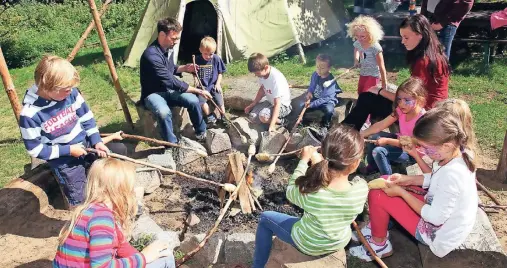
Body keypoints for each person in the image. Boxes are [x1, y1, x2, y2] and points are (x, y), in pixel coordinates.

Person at [349, 109, 478, 260]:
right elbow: (436, 179)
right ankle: (376, 228)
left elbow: (434, 218)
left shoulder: (453, 174)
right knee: (386, 180)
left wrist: (401, 193)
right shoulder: (457, 152)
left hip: (438, 234)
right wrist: (406, 179)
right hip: (443, 216)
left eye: (428, 148)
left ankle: (379, 245)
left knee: (377, 194)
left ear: (447, 145)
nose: (425, 152)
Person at [252, 125, 368, 267]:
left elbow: (291, 191)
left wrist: (303, 161)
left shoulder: (313, 193)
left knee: (265, 218)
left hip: (308, 243)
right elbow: (340, 183)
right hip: (338, 241)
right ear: (355, 163)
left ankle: (257, 266)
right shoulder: (361, 189)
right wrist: (319, 163)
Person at [18, 55, 126, 206]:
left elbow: (86, 118)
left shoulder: (71, 94)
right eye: (66, 89)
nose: (70, 92)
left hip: (86, 144)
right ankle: (82, 220)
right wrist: (68, 150)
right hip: (65, 161)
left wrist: (96, 141)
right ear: (47, 87)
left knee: (115, 157)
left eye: (71, 88)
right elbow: (36, 150)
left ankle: (112, 203)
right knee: (79, 197)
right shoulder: (30, 115)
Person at [54, 158, 175, 268]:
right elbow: (102, 266)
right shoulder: (101, 217)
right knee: (165, 259)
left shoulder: (89, 210)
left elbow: (122, 246)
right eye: (130, 189)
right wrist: (144, 257)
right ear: (121, 191)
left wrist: (141, 259)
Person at [342, 14, 450, 131]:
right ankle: (350, 130)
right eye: (402, 37)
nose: (403, 42)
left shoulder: (423, 61)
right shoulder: (434, 53)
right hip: (431, 108)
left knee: (367, 98)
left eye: (406, 37)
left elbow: (410, 99)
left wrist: (380, 91)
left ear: (420, 35)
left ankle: (344, 132)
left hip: (424, 115)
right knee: (370, 97)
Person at [140, 17, 212, 143]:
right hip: (153, 93)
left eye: (177, 38)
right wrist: (198, 91)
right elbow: (170, 80)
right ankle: (172, 145)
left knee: (193, 101)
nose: (177, 41)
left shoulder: (168, 49)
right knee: (163, 112)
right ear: (162, 35)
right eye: (174, 38)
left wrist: (185, 68)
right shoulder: (151, 55)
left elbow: (170, 69)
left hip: (168, 90)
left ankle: (201, 133)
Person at [360, 77, 427, 175]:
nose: (401, 103)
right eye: (399, 99)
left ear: (419, 100)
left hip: (413, 152)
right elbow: (381, 125)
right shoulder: (401, 110)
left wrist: (387, 141)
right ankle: (373, 166)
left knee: (379, 151)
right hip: (400, 141)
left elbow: (412, 143)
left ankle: (388, 180)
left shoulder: (423, 119)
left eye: (407, 100)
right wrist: (360, 134)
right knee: (373, 136)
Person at [244, 53, 292, 132]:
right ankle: (267, 122)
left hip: (283, 106)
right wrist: (253, 104)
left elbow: (277, 104)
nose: (256, 75)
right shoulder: (262, 75)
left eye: (257, 73)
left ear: (266, 68)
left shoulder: (276, 78)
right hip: (270, 102)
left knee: (263, 116)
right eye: (255, 73)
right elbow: (262, 89)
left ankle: (283, 122)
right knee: (252, 116)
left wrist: (272, 125)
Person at [346, 15, 388, 95]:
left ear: (370, 34)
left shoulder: (375, 47)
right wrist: (356, 60)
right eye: (357, 36)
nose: (359, 39)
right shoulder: (358, 42)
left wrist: (384, 84)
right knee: (360, 92)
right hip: (363, 72)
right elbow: (356, 49)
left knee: (367, 94)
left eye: (362, 36)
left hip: (373, 75)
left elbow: (382, 67)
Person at [301, 54, 342, 133]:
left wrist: (312, 104)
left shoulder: (330, 81)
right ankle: (303, 123)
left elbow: (326, 98)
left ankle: (324, 126)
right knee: (302, 105)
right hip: (316, 97)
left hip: (327, 101)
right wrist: (309, 92)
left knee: (329, 110)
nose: (319, 70)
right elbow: (312, 86)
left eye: (322, 68)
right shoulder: (315, 75)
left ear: (329, 68)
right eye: (317, 67)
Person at [194, 36, 227, 126]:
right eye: (206, 54)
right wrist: (196, 80)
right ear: (200, 50)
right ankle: (210, 115)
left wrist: (218, 84)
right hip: (203, 86)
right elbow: (194, 73)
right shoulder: (197, 60)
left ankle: (223, 115)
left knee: (220, 100)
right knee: (201, 101)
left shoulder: (216, 59)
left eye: (211, 54)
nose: (209, 56)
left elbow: (220, 73)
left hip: (213, 85)